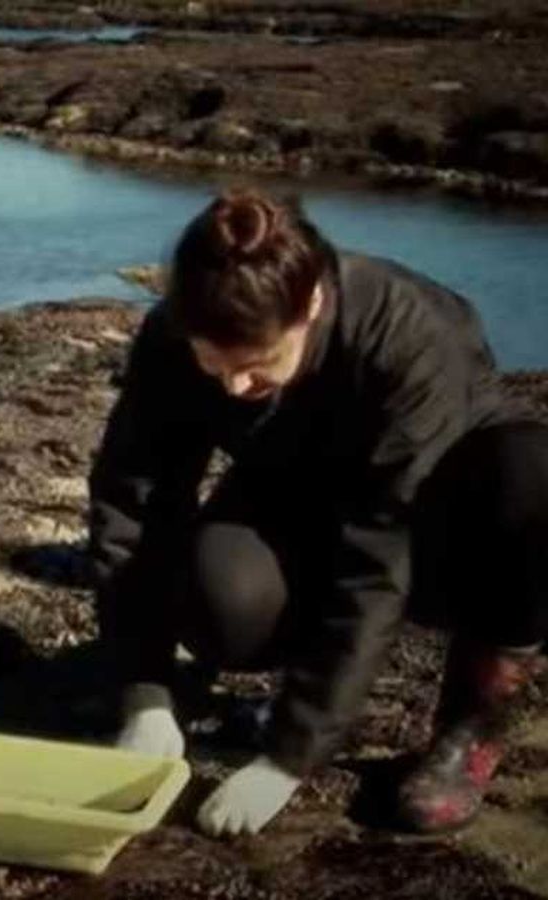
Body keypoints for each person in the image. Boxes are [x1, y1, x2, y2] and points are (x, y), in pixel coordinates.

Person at [89, 188, 548, 838]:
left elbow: (379, 560)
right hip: (302, 495)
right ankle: (317, 676)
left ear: (309, 306)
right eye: (216, 366)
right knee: (221, 598)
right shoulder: (173, 332)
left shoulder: (409, 337)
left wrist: (289, 756)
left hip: (442, 519)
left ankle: (470, 725)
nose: (234, 389)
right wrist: (144, 693)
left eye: (256, 367)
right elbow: (131, 508)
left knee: (533, 474)